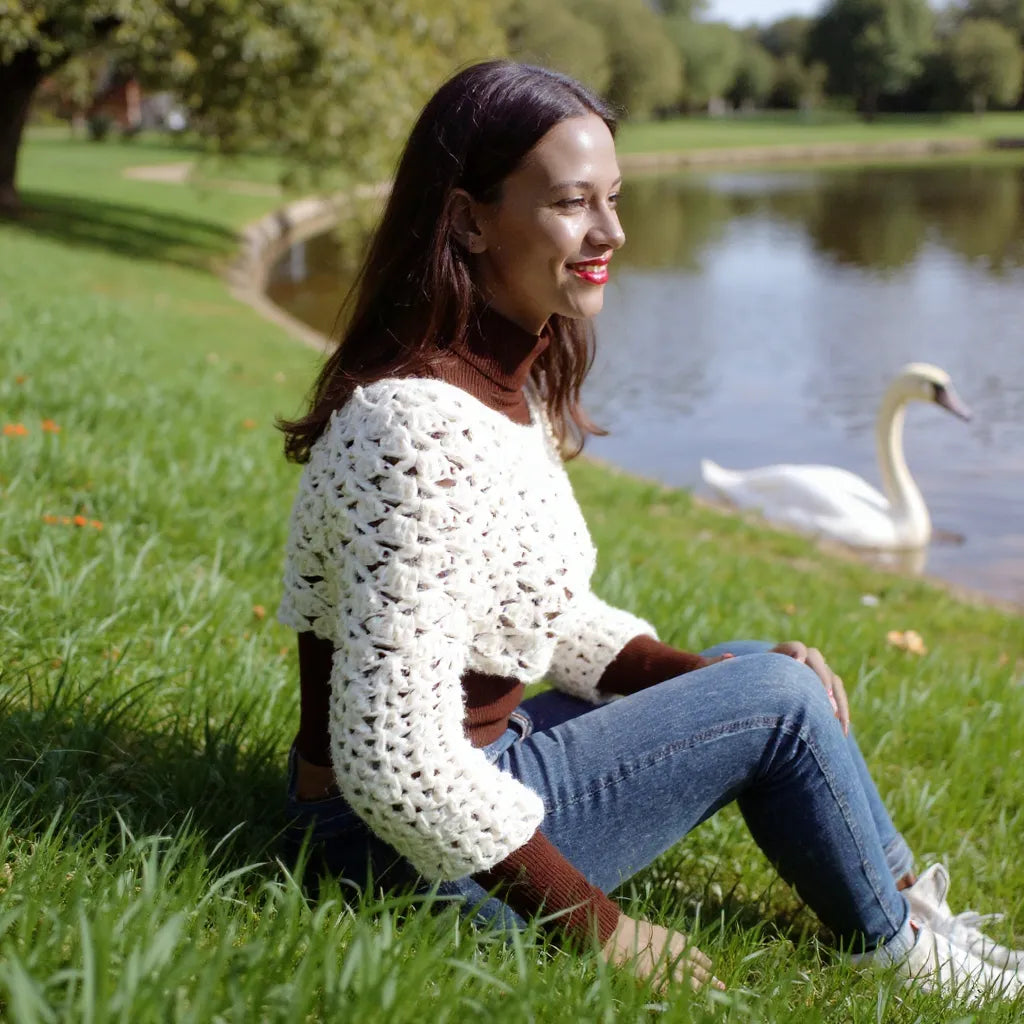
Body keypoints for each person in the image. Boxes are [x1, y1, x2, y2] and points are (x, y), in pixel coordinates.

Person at [276, 60, 1023, 1003]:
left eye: (614, 199)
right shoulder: (417, 429)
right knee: (777, 697)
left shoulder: (493, 392)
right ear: (468, 220)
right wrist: (610, 932)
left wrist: (710, 682)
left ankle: (909, 908)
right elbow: (395, 762)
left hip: (436, 802)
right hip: (396, 861)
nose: (611, 233)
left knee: (755, 668)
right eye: (572, 204)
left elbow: (549, 614)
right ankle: (904, 959)